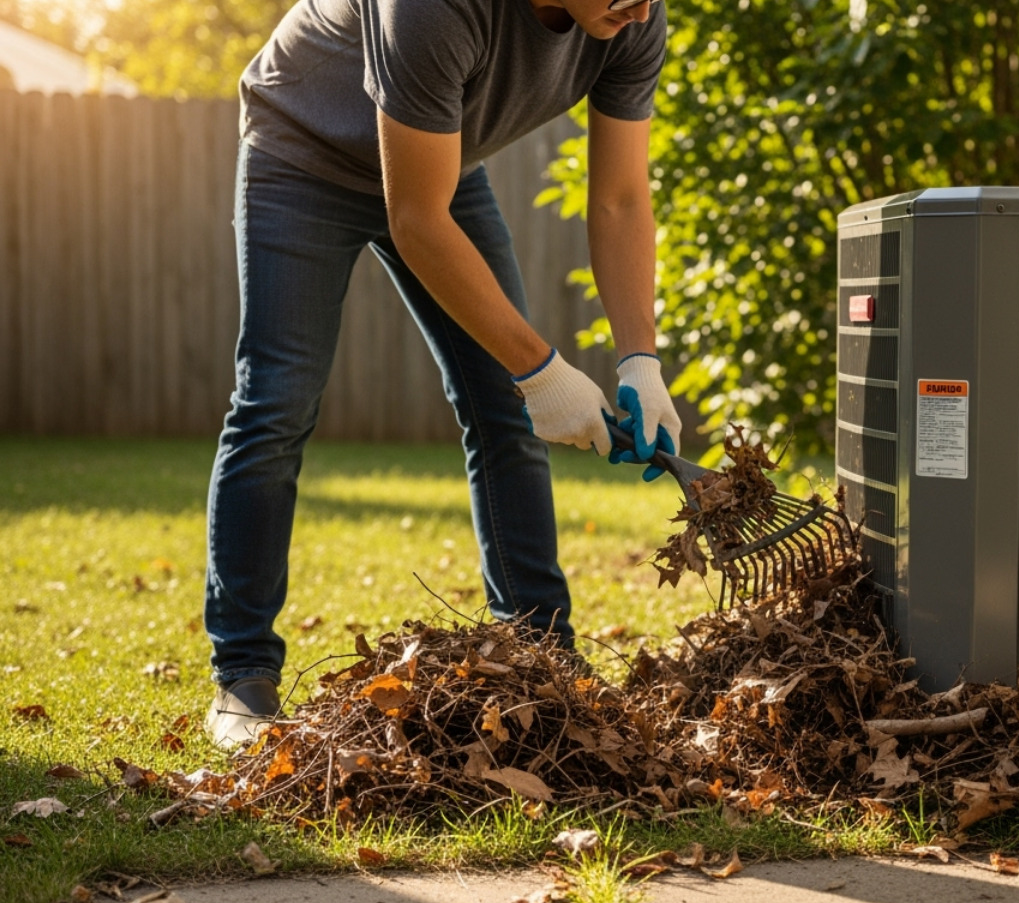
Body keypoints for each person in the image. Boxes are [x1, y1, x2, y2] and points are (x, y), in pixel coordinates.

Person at [203, 0, 682, 749]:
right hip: (303, 150)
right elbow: (416, 219)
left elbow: (621, 199)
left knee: (504, 406)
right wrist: (545, 371)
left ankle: (541, 656)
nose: (643, 5)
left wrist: (640, 360)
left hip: (435, 160)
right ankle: (243, 678)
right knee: (277, 397)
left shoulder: (631, 17)